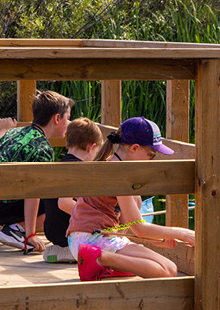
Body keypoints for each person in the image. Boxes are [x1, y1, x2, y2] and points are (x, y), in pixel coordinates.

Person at [67, 116, 196, 280]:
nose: (151, 160)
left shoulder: (111, 164)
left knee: (164, 268)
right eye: (151, 155)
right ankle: (101, 258)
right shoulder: (120, 174)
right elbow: (140, 229)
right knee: (168, 270)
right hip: (92, 241)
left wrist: (155, 239)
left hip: (82, 240)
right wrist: (182, 232)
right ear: (134, 148)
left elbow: (126, 227)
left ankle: (103, 264)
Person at [0, 90, 74, 252]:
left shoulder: (14, 133)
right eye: (67, 118)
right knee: (53, 197)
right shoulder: (43, 148)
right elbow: (33, 193)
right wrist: (31, 234)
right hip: (1, 208)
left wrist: (3, 130)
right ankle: (18, 230)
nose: (69, 124)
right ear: (56, 118)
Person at [41, 117, 104, 263]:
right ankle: (72, 250)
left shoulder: (60, 166)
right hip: (66, 234)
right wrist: (94, 217)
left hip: (53, 232)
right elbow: (64, 203)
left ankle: (64, 250)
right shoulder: (77, 170)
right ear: (91, 147)